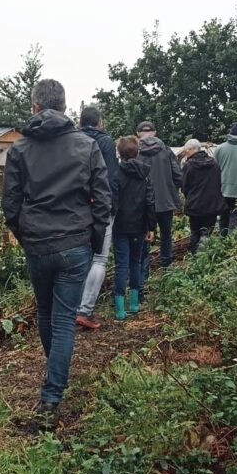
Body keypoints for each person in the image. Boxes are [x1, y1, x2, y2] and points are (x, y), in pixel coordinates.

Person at [1, 79, 112, 430]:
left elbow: (10, 205)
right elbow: (103, 200)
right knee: (63, 319)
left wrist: (25, 234)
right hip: (75, 242)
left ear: (34, 107)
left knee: (46, 313)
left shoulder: (19, 150)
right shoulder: (86, 146)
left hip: (38, 244)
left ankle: (55, 375)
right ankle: (52, 396)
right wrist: (93, 240)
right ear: (65, 107)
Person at [76, 106, 120, 331]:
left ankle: (73, 306)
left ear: (81, 122)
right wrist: (112, 206)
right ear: (99, 122)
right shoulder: (105, 142)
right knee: (100, 258)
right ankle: (85, 310)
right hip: (101, 206)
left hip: (77, 208)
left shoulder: (71, 140)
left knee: (82, 255)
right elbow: (111, 176)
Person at [112, 136, 156, 320]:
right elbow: (150, 202)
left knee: (121, 264)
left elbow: (112, 202)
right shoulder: (144, 175)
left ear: (119, 154)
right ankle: (135, 303)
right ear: (138, 152)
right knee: (136, 262)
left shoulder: (116, 174)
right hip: (139, 225)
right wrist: (151, 226)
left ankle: (120, 309)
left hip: (120, 226)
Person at [136, 120, 182, 283]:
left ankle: (144, 273)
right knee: (166, 235)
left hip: (142, 204)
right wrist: (169, 191)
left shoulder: (136, 152)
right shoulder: (166, 151)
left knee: (144, 237)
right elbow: (178, 176)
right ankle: (166, 269)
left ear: (138, 134)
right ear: (155, 133)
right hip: (165, 202)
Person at [180, 139, 227, 254]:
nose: (186, 154)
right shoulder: (214, 164)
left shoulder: (189, 166)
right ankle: (204, 256)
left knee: (195, 232)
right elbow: (218, 183)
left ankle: (194, 256)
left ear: (192, 149)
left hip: (195, 205)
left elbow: (184, 186)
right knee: (207, 232)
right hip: (212, 205)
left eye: (186, 151)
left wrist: (190, 197)